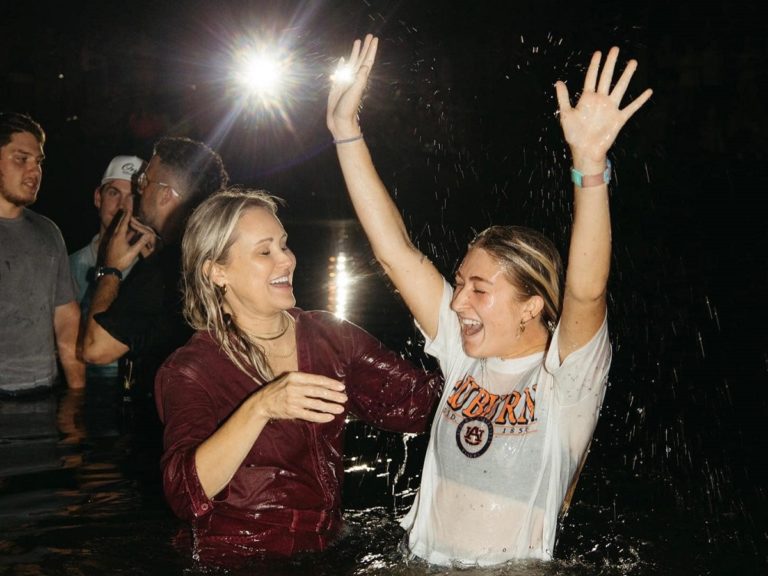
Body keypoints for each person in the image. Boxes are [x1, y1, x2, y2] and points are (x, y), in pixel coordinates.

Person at [327, 36, 652, 564]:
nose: (458, 304)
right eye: (459, 284)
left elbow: (586, 289)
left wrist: (589, 166)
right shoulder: (463, 353)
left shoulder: (565, 381)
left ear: (532, 305)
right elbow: (397, 254)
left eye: (479, 289)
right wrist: (345, 133)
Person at [154, 187, 442, 564]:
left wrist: (505, 363)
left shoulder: (330, 338)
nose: (286, 260)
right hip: (236, 557)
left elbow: (423, 405)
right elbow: (185, 493)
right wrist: (262, 405)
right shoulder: (191, 369)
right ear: (217, 271)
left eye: (284, 245)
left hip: (326, 550)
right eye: (264, 251)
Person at [81, 137, 228, 394]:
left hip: (164, 420)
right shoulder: (211, 254)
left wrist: (110, 269)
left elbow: (95, 349)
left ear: (165, 195)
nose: (139, 191)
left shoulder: (164, 268)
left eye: (144, 182)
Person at [0, 112, 85, 394]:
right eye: (21, 158)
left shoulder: (48, 232)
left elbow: (67, 320)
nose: (34, 172)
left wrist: (76, 396)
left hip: (43, 395)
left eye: (38, 162)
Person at [69, 155, 145, 379]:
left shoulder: (152, 269)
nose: (122, 205)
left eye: (132, 196)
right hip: (82, 383)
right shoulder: (69, 264)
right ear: (97, 197)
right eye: (113, 193)